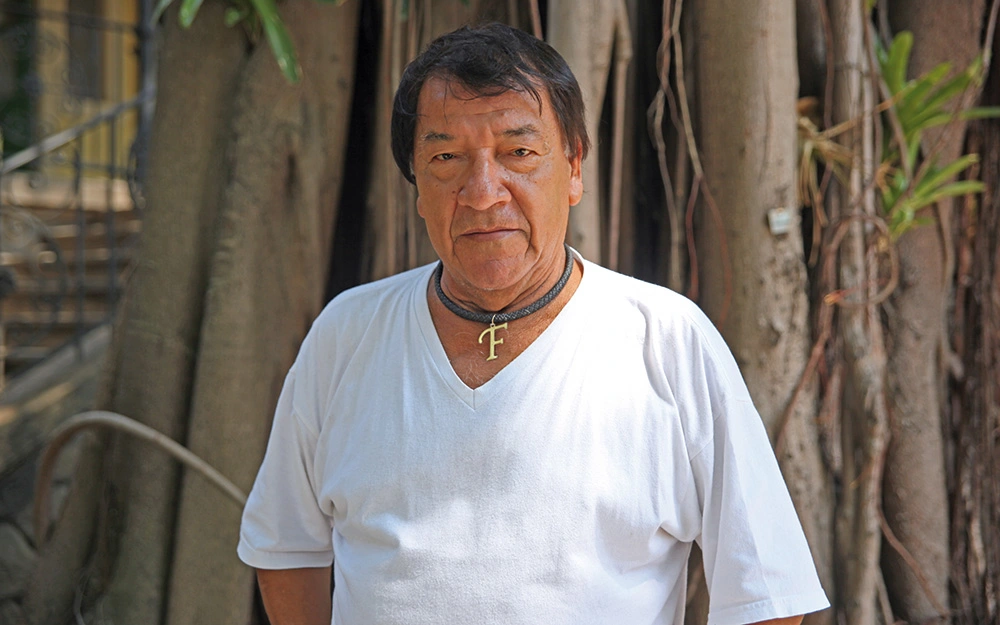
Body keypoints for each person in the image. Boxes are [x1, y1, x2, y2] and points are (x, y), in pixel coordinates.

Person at [237, 23, 830, 625]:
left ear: (573, 168)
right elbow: (286, 546)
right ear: (416, 184)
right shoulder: (347, 336)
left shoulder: (667, 341)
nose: (483, 193)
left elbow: (766, 592)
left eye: (519, 153)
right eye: (446, 158)